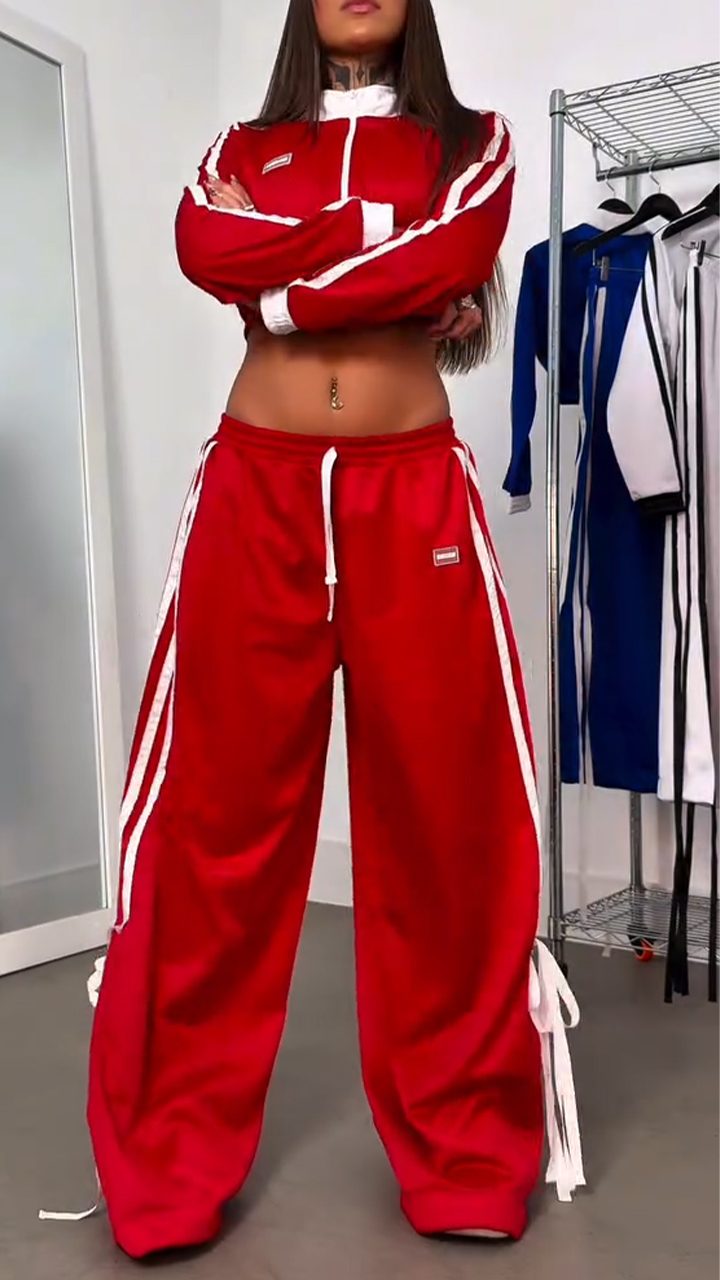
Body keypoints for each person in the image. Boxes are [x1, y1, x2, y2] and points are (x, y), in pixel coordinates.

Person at [85, 0, 583, 1259]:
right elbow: (205, 243)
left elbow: (450, 249)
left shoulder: (472, 142)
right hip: (255, 492)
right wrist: (372, 248)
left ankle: (466, 1149)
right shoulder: (240, 151)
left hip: (411, 492)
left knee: (447, 817)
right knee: (214, 821)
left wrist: (281, 285)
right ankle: (166, 1161)